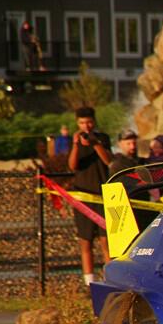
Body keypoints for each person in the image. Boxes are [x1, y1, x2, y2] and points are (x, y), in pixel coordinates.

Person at [67, 106, 112, 287]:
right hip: (83, 197)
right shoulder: (76, 141)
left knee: (106, 241)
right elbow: (72, 166)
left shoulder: (103, 138)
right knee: (85, 242)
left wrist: (95, 143)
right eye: (82, 123)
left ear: (94, 121)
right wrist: (76, 144)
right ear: (77, 123)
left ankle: (110, 280)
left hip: (102, 196)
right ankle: (89, 283)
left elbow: (108, 160)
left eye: (89, 122)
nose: (86, 126)